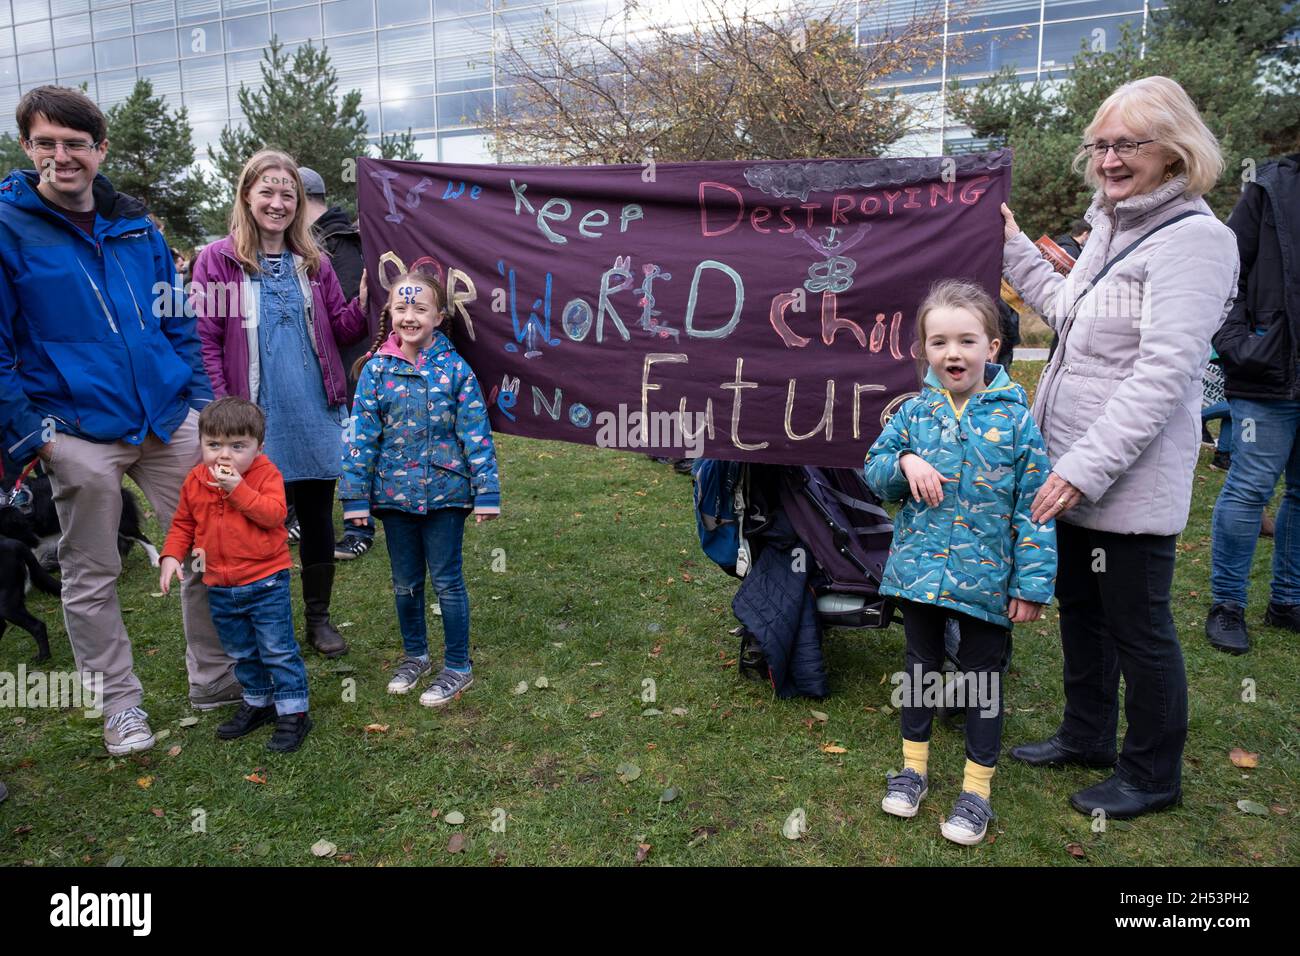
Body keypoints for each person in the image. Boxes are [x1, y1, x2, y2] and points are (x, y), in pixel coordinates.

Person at [1000, 75, 1239, 819]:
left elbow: (1166, 373)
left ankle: (1151, 773)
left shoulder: (1196, 240)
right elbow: (1063, 311)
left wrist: (1081, 469)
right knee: (1082, 610)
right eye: (1101, 145)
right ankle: (1087, 735)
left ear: (1174, 151)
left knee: (1139, 628)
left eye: (1128, 144)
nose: (1109, 159)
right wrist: (1007, 242)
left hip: (1122, 480)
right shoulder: (1112, 228)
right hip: (1067, 467)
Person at [0, 85, 237, 756]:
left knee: (210, 546)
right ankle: (119, 707)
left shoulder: (136, 225)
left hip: (166, 420)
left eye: (76, 143)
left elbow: (178, 320)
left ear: (100, 149)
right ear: (27, 147)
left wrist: (195, 402)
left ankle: (216, 679)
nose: (61, 156)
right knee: (91, 570)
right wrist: (39, 437)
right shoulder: (7, 229)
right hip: (77, 433)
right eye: (46, 142)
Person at [864, 278, 1056, 846]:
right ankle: (913, 771)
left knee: (981, 682)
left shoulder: (1018, 422)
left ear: (992, 348)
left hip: (987, 581)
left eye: (968, 341)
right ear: (924, 349)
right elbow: (875, 473)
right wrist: (904, 461)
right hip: (920, 574)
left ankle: (976, 792)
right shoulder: (913, 416)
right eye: (940, 341)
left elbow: (1036, 509)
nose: (954, 353)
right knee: (921, 670)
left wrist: (1033, 584)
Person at [191, 150, 368, 659]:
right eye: (267, 191)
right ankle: (263, 625)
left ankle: (318, 618)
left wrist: (364, 300)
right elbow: (205, 338)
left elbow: (342, 328)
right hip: (252, 411)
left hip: (313, 404)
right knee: (252, 519)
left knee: (315, 515)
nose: (277, 202)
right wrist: (223, 410)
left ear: (299, 203)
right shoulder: (217, 261)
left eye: (287, 194)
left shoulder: (314, 263)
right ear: (247, 195)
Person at [339, 271, 500, 708]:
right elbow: (362, 439)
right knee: (405, 582)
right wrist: (355, 499)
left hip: (447, 495)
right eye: (402, 307)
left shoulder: (455, 370)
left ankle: (458, 666)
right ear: (389, 312)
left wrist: (486, 490)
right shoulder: (374, 371)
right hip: (393, 498)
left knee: (447, 581)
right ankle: (415, 656)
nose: (410, 316)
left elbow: (475, 433)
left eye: (420, 308)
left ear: (439, 316)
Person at [159, 398, 312, 752]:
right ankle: (259, 701)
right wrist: (170, 555)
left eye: (237, 446)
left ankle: (294, 710)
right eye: (214, 445)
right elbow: (183, 523)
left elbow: (274, 515)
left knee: (277, 649)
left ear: (259, 447)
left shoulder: (265, 474)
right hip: (221, 586)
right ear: (201, 443)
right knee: (241, 651)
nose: (223, 455)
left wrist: (236, 489)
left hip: (266, 581)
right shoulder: (196, 480)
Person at [1205, 151, 1300, 655]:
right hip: (1270, 371)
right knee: (1249, 489)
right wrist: (1241, 342)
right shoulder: (1270, 185)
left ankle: (1287, 601)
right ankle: (1227, 605)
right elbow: (1225, 269)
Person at [297, 166, 375, 563]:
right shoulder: (310, 240)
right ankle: (299, 516)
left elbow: (345, 313)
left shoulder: (338, 243)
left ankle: (359, 529)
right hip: (322, 366)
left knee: (352, 450)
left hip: (349, 364)